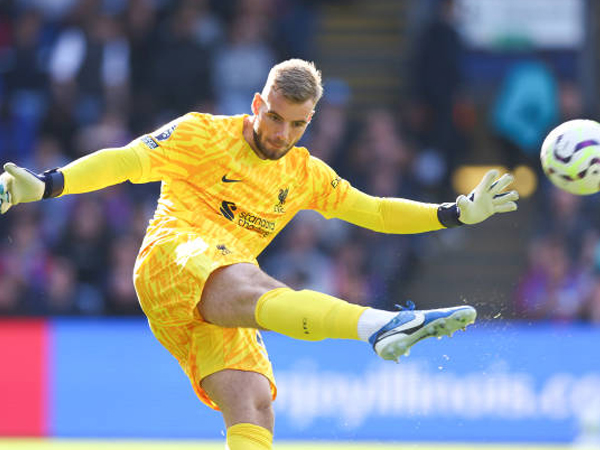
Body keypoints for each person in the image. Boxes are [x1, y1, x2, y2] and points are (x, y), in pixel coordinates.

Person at [0, 59, 518, 450]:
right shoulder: (202, 133)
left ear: (309, 122)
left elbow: (377, 212)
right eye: (274, 118)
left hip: (215, 295)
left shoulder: (304, 173)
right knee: (254, 282)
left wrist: (455, 212)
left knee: (254, 403)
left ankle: (378, 328)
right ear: (256, 103)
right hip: (171, 258)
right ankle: (380, 326)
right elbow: (127, 161)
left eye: (297, 125)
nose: (281, 134)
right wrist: (48, 185)